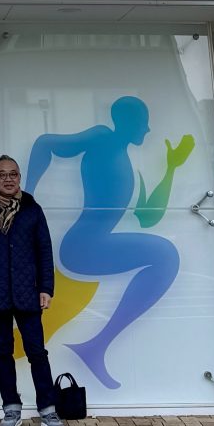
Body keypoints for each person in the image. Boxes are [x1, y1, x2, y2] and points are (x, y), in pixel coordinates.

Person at [24, 96, 191, 390]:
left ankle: (96, 347)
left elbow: (147, 217)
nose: (148, 129)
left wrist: (171, 168)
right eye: (143, 122)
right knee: (165, 255)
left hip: (97, 242)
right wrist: (27, 197)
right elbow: (44, 142)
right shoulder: (102, 137)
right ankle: (97, 347)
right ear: (126, 122)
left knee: (166, 255)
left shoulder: (129, 163)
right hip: (82, 246)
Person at [0, 155, 64, 426]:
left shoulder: (32, 209)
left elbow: (44, 251)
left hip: (28, 294)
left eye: (13, 174)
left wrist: (46, 288)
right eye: (2, 174)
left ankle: (48, 410)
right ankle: (11, 409)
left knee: (37, 352)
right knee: (3, 353)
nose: (8, 179)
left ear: (19, 178)